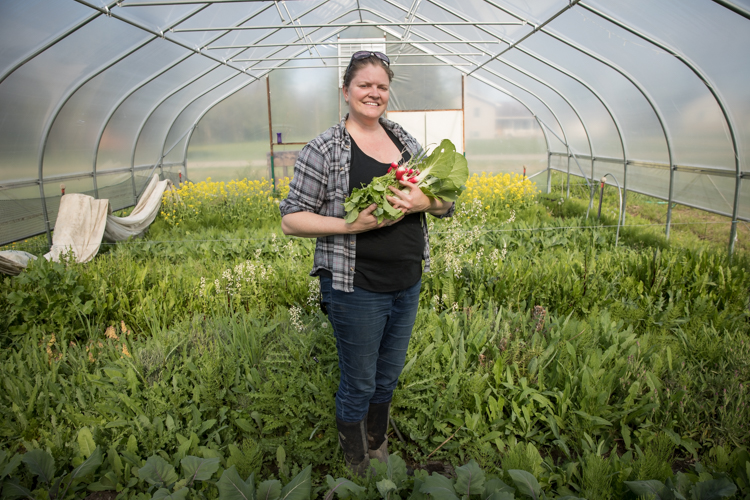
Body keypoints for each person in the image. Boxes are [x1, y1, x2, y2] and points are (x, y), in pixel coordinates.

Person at [279, 51, 454, 476]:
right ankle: (358, 467)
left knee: (387, 377)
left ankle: (378, 450)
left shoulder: (406, 143)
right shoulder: (324, 148)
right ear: (346, 91)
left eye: (381, 86)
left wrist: (424, 200)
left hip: (406, 281)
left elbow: (447, 203)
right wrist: (350, 225)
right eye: (364, 85)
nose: (373, 93)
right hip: (355, 286)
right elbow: (290, 219)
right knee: (359, 381)